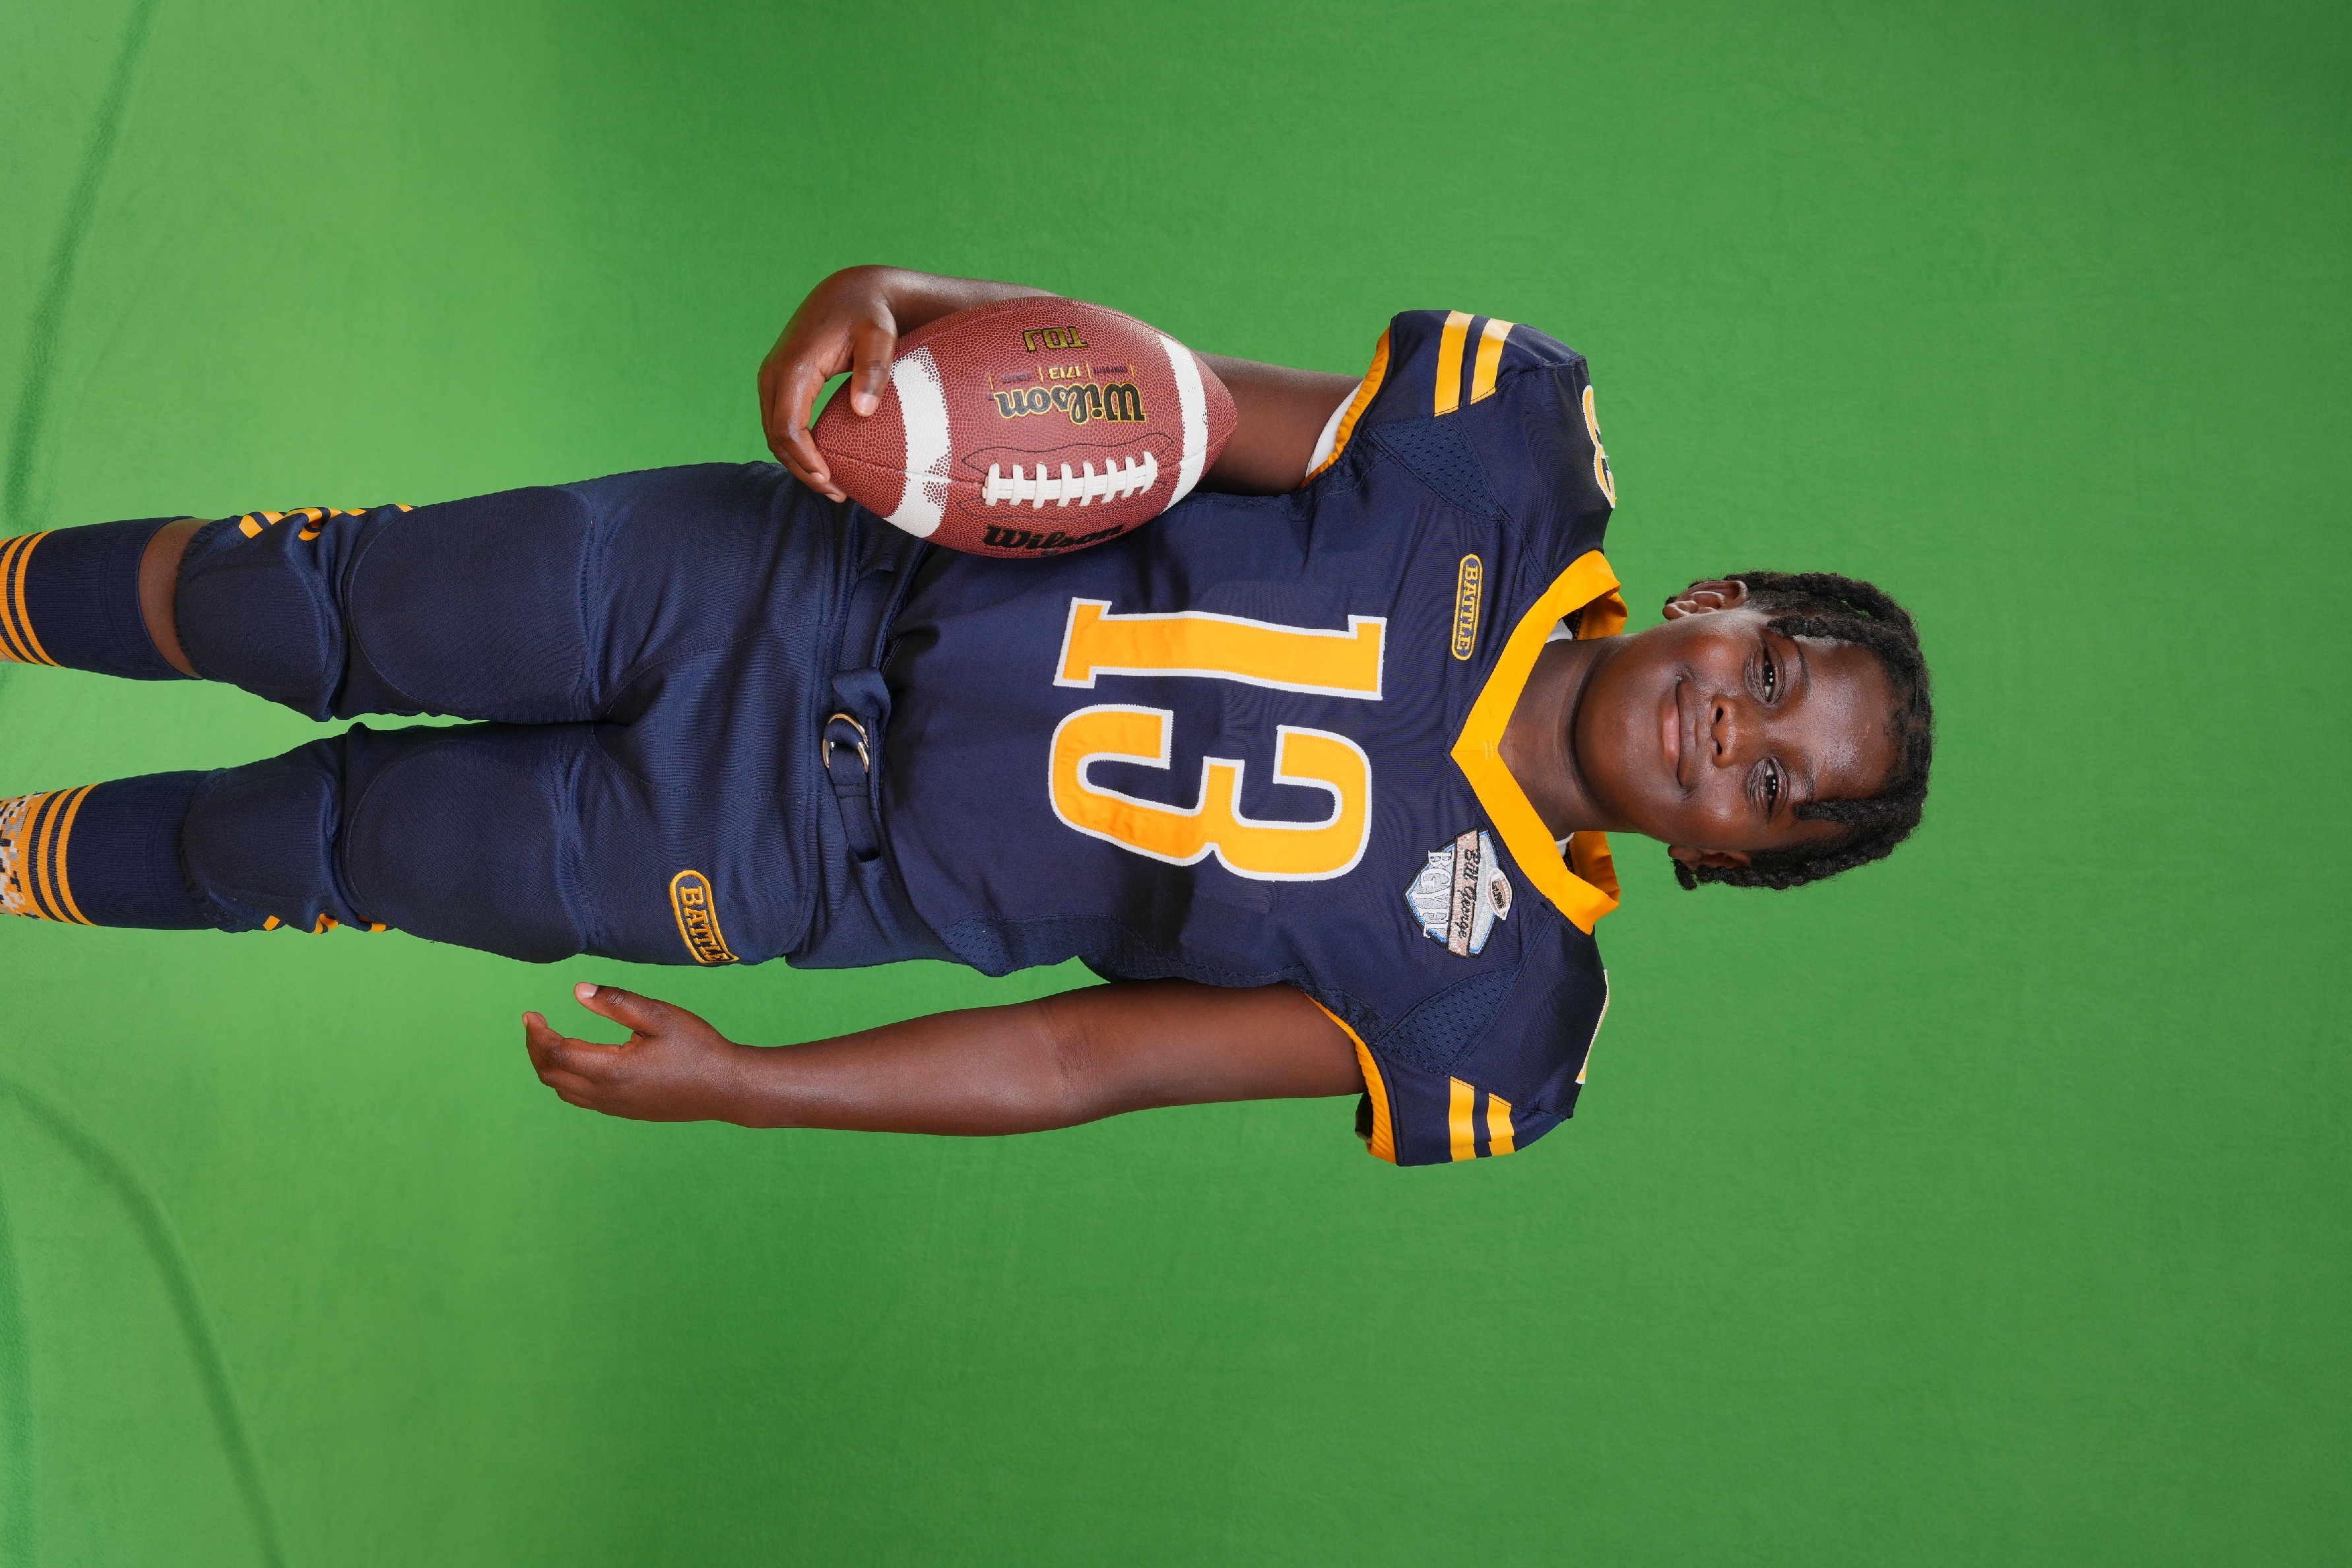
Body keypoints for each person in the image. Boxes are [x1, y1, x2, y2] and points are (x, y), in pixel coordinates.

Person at [0, 267, 1933, 1165]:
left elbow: (1085, 1061)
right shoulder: (1488, 465)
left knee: (327, 847)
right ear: (1720, 603)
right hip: (799, 577)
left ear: (1722, 862)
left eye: (1774, 789)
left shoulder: (1485, 1007)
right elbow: (1156, 397)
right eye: (1770, 677)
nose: (1730, 735)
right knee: (313, 602)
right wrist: (896, 295)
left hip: (787, 858)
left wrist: (757, 1085)